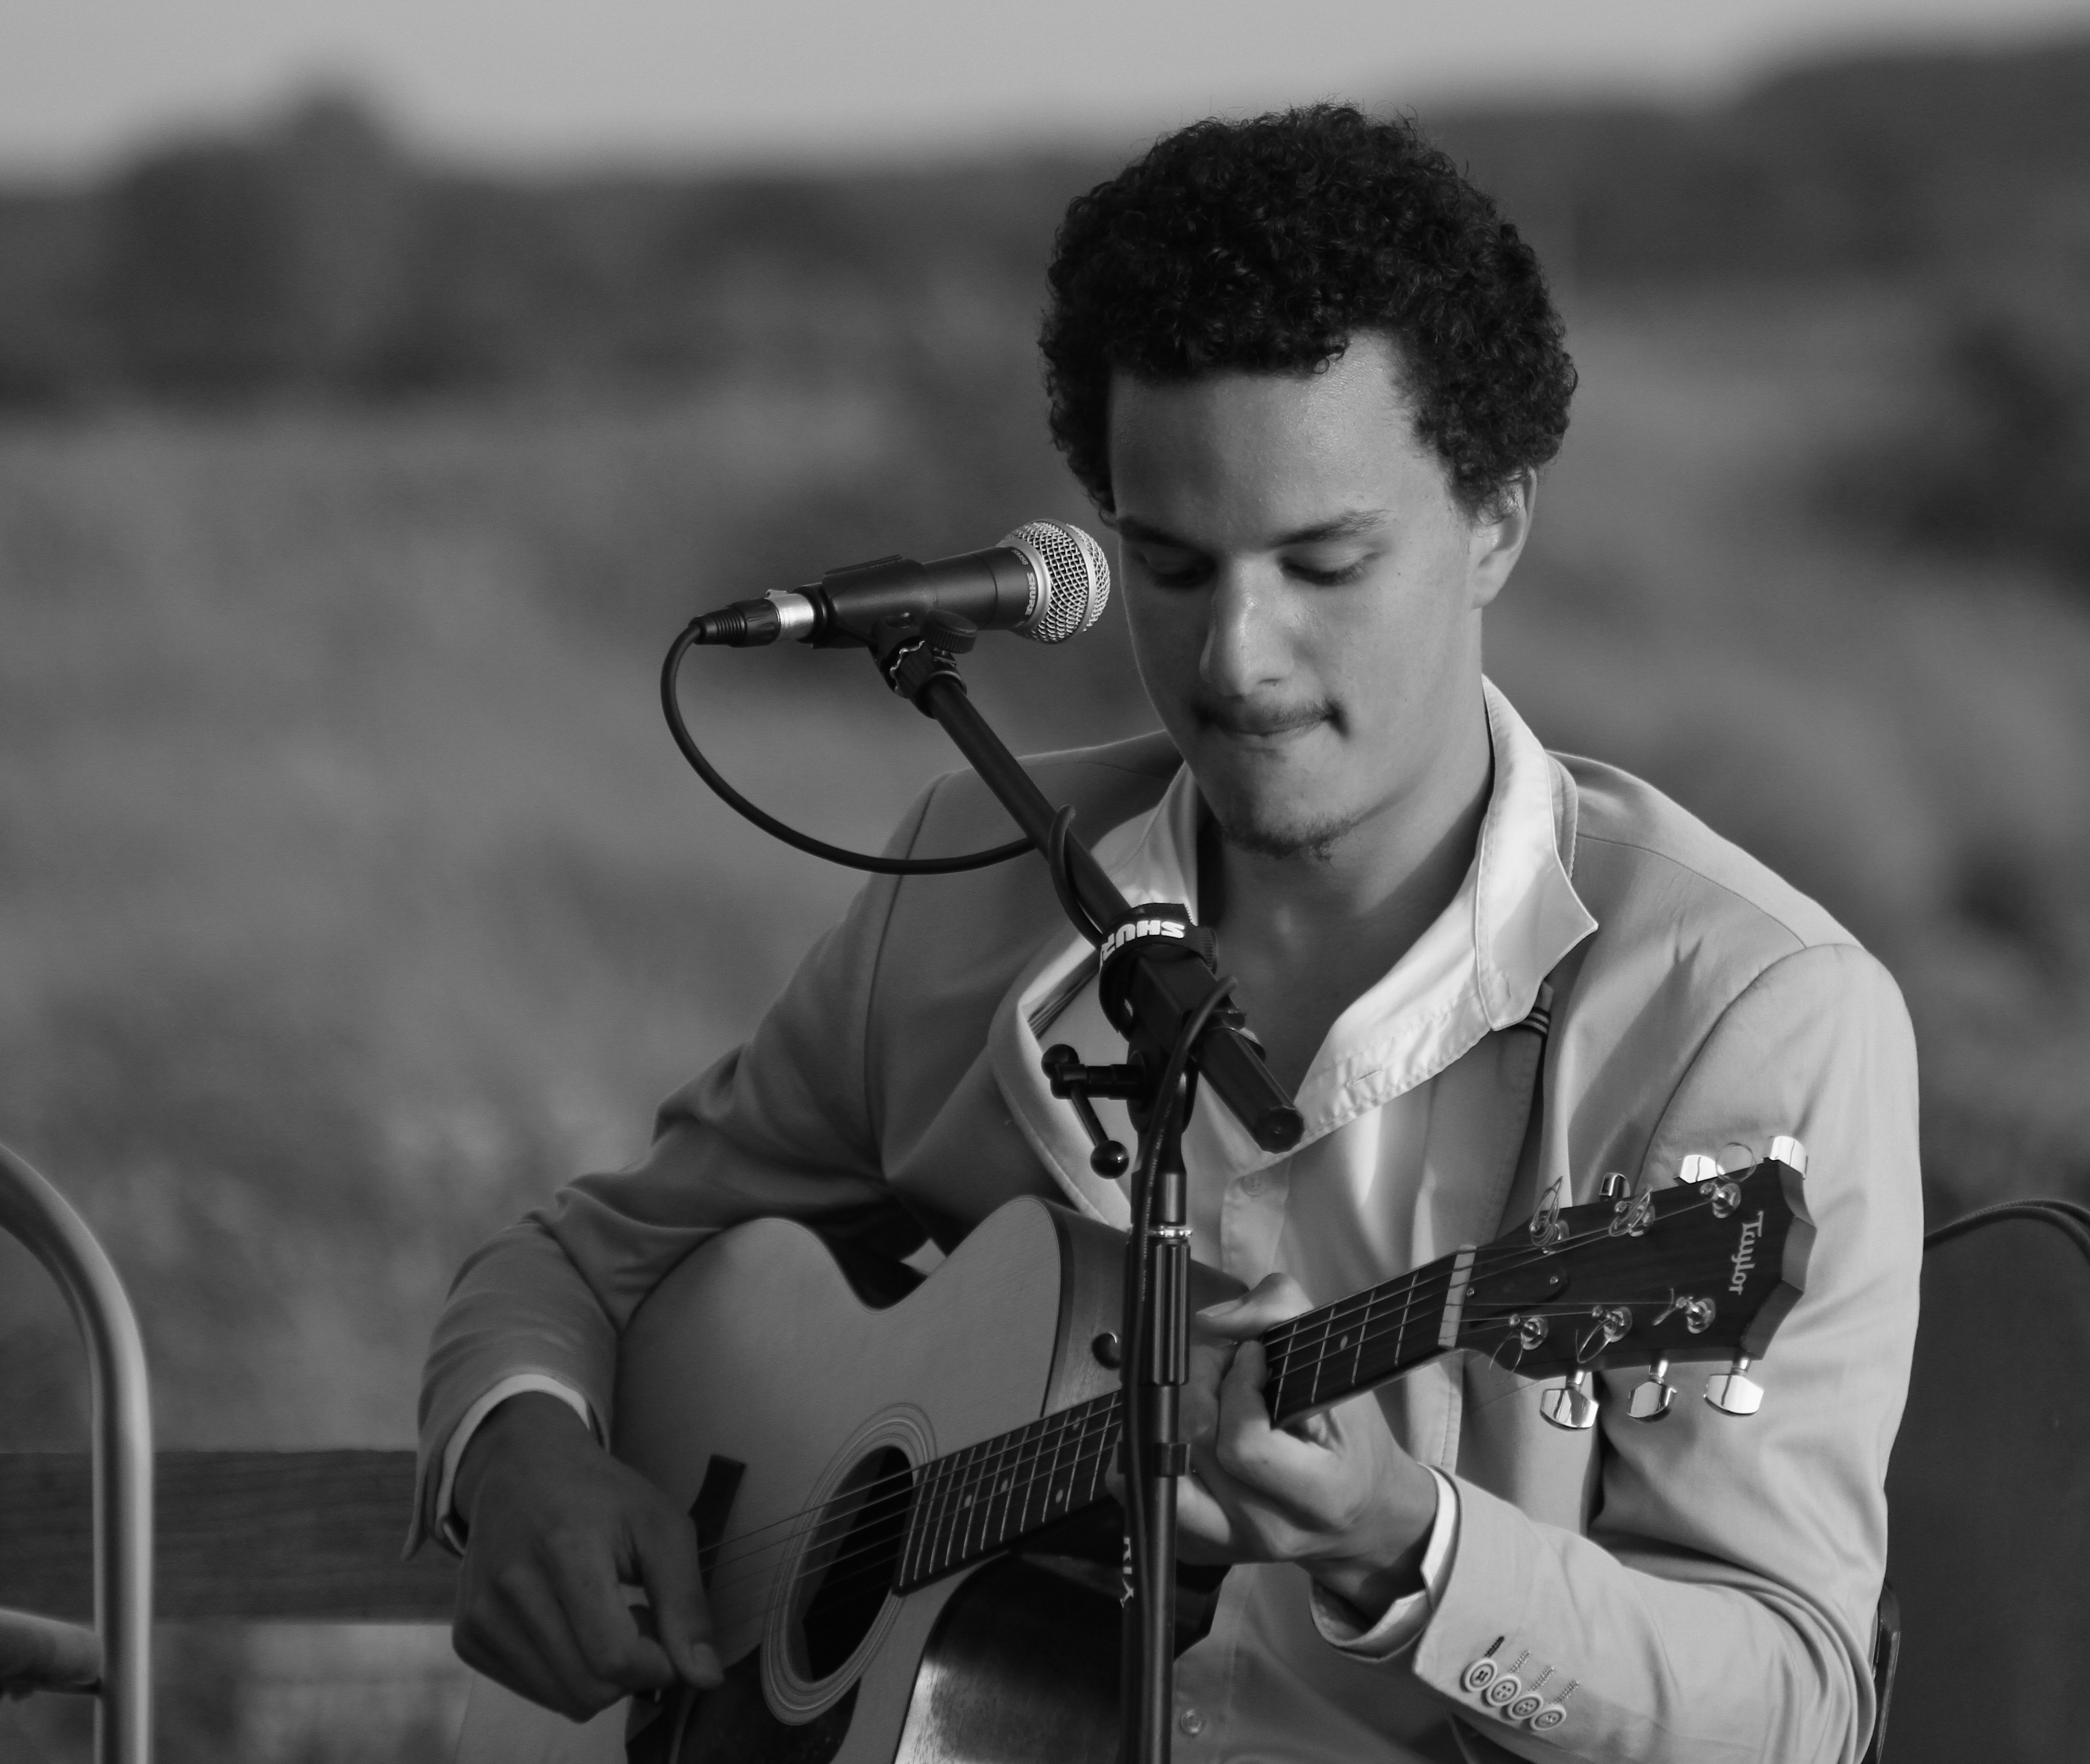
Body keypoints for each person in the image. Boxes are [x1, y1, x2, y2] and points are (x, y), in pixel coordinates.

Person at [417, 104, 1923, 1764]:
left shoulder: (1744, 1012)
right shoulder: (973, 880)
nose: (1236, 660)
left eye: (1324, 563)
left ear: (1496, 521)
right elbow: (585, 1260)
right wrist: (521, 1453)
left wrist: (1404, 1547)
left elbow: (1794, 1705)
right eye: (1174, 567)